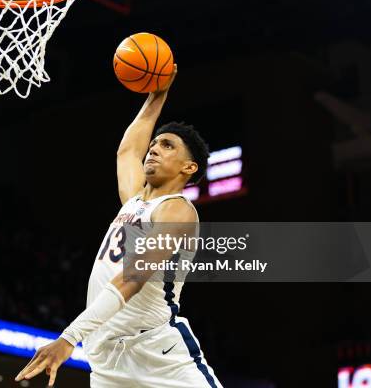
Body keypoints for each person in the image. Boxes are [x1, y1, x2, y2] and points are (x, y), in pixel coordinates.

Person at [16, 65, 223, 387]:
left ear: (189, 167)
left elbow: (134, 276)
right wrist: (158, 94)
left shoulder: (178, 212)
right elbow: (127, 150)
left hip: (156, 350)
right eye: (154, 144)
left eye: (167, 146)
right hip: (106, 356)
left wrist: (69, 338)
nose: (154, 148)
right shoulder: (134, 201)